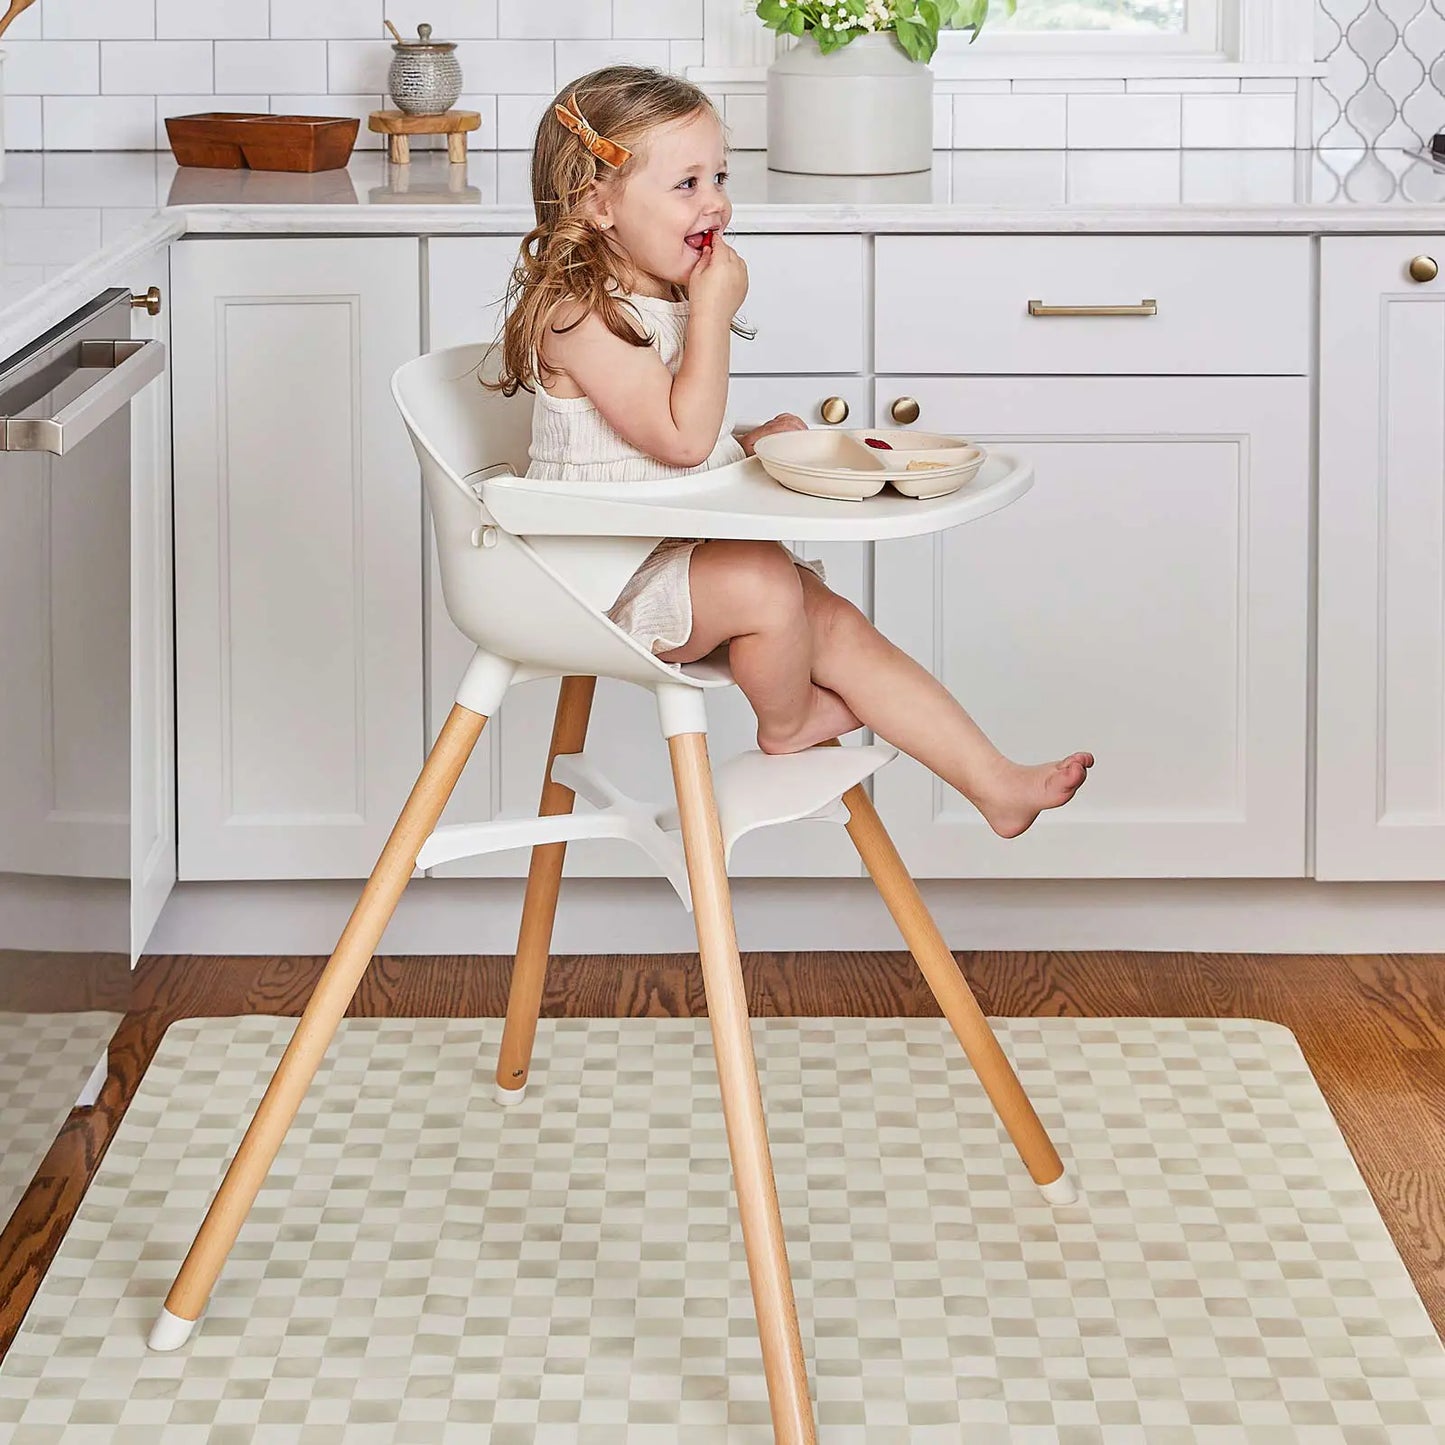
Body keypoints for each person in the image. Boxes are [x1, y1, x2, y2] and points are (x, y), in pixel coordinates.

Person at [487, 66, 1091, 839]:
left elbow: (652, 437)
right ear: (598, 203)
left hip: (669, 544)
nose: (715, 203)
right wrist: (712, 316)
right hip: (598, 574)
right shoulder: (578, 316)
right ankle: (788, 720)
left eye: (719, 177)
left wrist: (744, 442)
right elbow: (678, 440)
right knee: (765, 579)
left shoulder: (660, 297)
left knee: (832, 621)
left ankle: (993, 781)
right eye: (686, 184)